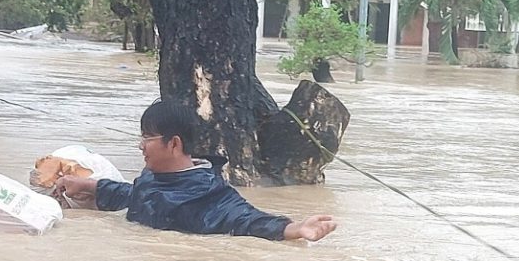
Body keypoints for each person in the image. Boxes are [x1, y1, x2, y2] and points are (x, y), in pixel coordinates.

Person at [54, 101, 337, 242]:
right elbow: (135, 196)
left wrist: (294, 229)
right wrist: (89, 186)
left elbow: (248, 220)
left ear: (174, 143)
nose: (141, 146)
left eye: (147, 138)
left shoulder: (211, 195)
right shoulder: (153, 178)